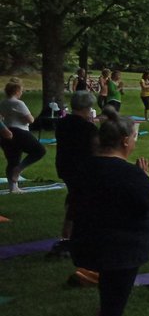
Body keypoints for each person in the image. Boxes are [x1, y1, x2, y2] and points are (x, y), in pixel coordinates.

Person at [70, 111, 149, 316]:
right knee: (113, 306)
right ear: (125, 141)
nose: (135, 142)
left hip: (90, 243)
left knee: (109, 301)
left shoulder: (85, 167)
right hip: (120, 250)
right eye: (134, 137)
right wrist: (143, 178)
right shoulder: (127, 173)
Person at [54, 90, 99, 252]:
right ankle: (67, 237)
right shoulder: (88, 128)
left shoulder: (63, 123)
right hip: (82, 169)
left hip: (65, 166)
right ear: (87, 108)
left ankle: (71, 234)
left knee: (74, 197)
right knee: (78, 201)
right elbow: (96, 150)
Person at [1, 78, 47, 193]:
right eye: (21, 90)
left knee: (12, 159)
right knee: (39, 151)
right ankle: (19, 169)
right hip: (20, 131)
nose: (22, 92)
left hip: (5, 132)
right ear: (16, 91)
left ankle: (13, 188)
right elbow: (30, 120)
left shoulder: (3, 102)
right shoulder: (18, 103)